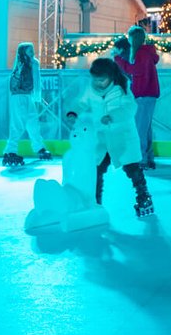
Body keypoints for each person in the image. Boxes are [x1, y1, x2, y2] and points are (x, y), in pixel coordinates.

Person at [69, 57, 153, 217]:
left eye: (102, 79)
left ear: (110, 75)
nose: (99, 83)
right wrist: (73, 112)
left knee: (132, 169)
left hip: (122, 137)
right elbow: (81, 103)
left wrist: (112, 116)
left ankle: (144, 197)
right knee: (97, 170)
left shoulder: (122, 88)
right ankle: (95, 201)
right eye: (96, 79)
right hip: (101, 139)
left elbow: (130, 108)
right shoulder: (91, 89)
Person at [115, 25, 161, 169]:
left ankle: (141, 159)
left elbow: (135, 70)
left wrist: (118, 59)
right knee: (145, 128)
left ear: (133, 38)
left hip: (144, 94)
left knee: (140, 128)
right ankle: (148, 158)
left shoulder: (141, 53)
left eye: (129, 36)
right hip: (146, 94)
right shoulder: (144, 53)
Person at [2, 42, 51, 168]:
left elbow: (36, 80)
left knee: (33, 123)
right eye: (30, 51)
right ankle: (10, 151)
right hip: (18, 97)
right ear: (23, 52)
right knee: (18, 124)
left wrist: (36, 97)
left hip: (28, 96)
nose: (32, 53)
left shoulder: (33, 63)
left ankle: (39, 147)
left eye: (33, 50)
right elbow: (16, 81)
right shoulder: (21, 64)